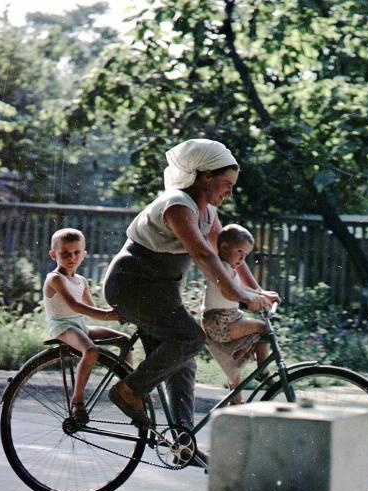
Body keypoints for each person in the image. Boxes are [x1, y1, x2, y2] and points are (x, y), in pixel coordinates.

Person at [103, 139, 279, 449]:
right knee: (190, 339)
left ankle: (183, 442)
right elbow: (204, 256)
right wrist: (240, 295)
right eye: (226, 183)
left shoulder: (207, 212)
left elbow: (227, 257)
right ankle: (128, 390)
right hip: (133, 286)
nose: (230, 191)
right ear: (205, 176)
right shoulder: (177, 205)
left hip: (161, 292)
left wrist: (255, 290)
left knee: (183, 360)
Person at [43, 228, 131, 425]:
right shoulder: (55, 278)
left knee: (124, 341)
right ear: (53, 255)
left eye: (76, 252)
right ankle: (78, 401)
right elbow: (75, 306)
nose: (71, 257)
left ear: (84, 254)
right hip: (63, 326)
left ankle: (127, 388)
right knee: (90, 351)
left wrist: (119, 310)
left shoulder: (81, 280)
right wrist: (107, 316)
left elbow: (91, 308)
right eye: (64, 253)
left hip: (80, 324)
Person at [201, 224, 271, 404]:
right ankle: (263, 371)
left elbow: (242, 289)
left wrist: (263, 295)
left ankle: (236, 400)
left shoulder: (228, 267)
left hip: (226, 319)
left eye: (246, 255)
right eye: (239, 251)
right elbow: (229, 293)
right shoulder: (221, 268)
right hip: (221, 321)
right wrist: (253, 300)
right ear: (224, 246)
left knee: (234, 366)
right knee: (263, 328)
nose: (242, 258)